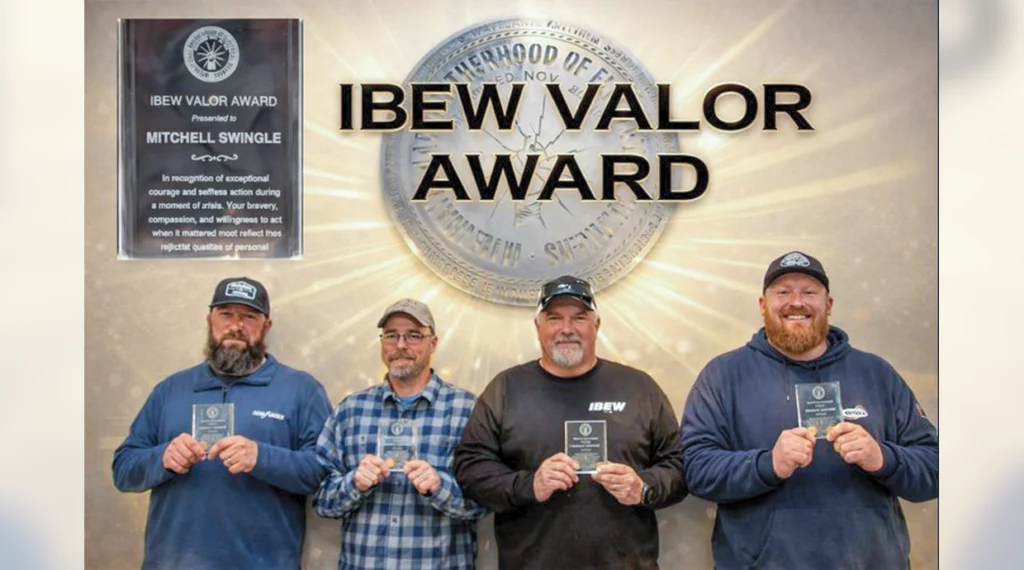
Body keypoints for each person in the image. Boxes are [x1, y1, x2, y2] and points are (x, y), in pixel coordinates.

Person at [680, 251, 939, 569]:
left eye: (809, 292)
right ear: (763, 305)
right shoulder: (722, 375)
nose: (796, 302)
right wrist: (767, 464)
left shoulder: (877, 373)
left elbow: (935, 469)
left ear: (828, 304)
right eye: (783, 292)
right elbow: (696, 470)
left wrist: (883, 458)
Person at [454, 276, 687, 570]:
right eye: (554, 318)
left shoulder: (639, 388)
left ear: (596, 325)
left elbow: (679, 465)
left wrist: (643, 487)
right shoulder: (506, 389)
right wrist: (529, 485)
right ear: (538, 326)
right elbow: (471, 468)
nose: (566, 329)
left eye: (579, 317)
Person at [112, 276, 332, 569]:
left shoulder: (302, 390)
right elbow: (123, 470)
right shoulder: (170, 390)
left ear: (266, 326)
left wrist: (262, 457)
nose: (236, 325)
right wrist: (162, 458)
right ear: (210, 320)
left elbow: (323, 473)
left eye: (249, 317)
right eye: (226, 314)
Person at [313, 299, 487, 569]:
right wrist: (354, 484)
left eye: (413, 335)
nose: (401, 345)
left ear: (433, 343)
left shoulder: (467, 410)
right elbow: (321, 500)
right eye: (391, 335)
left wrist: (439, 487)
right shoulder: (351, 410)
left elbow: (486, 501)